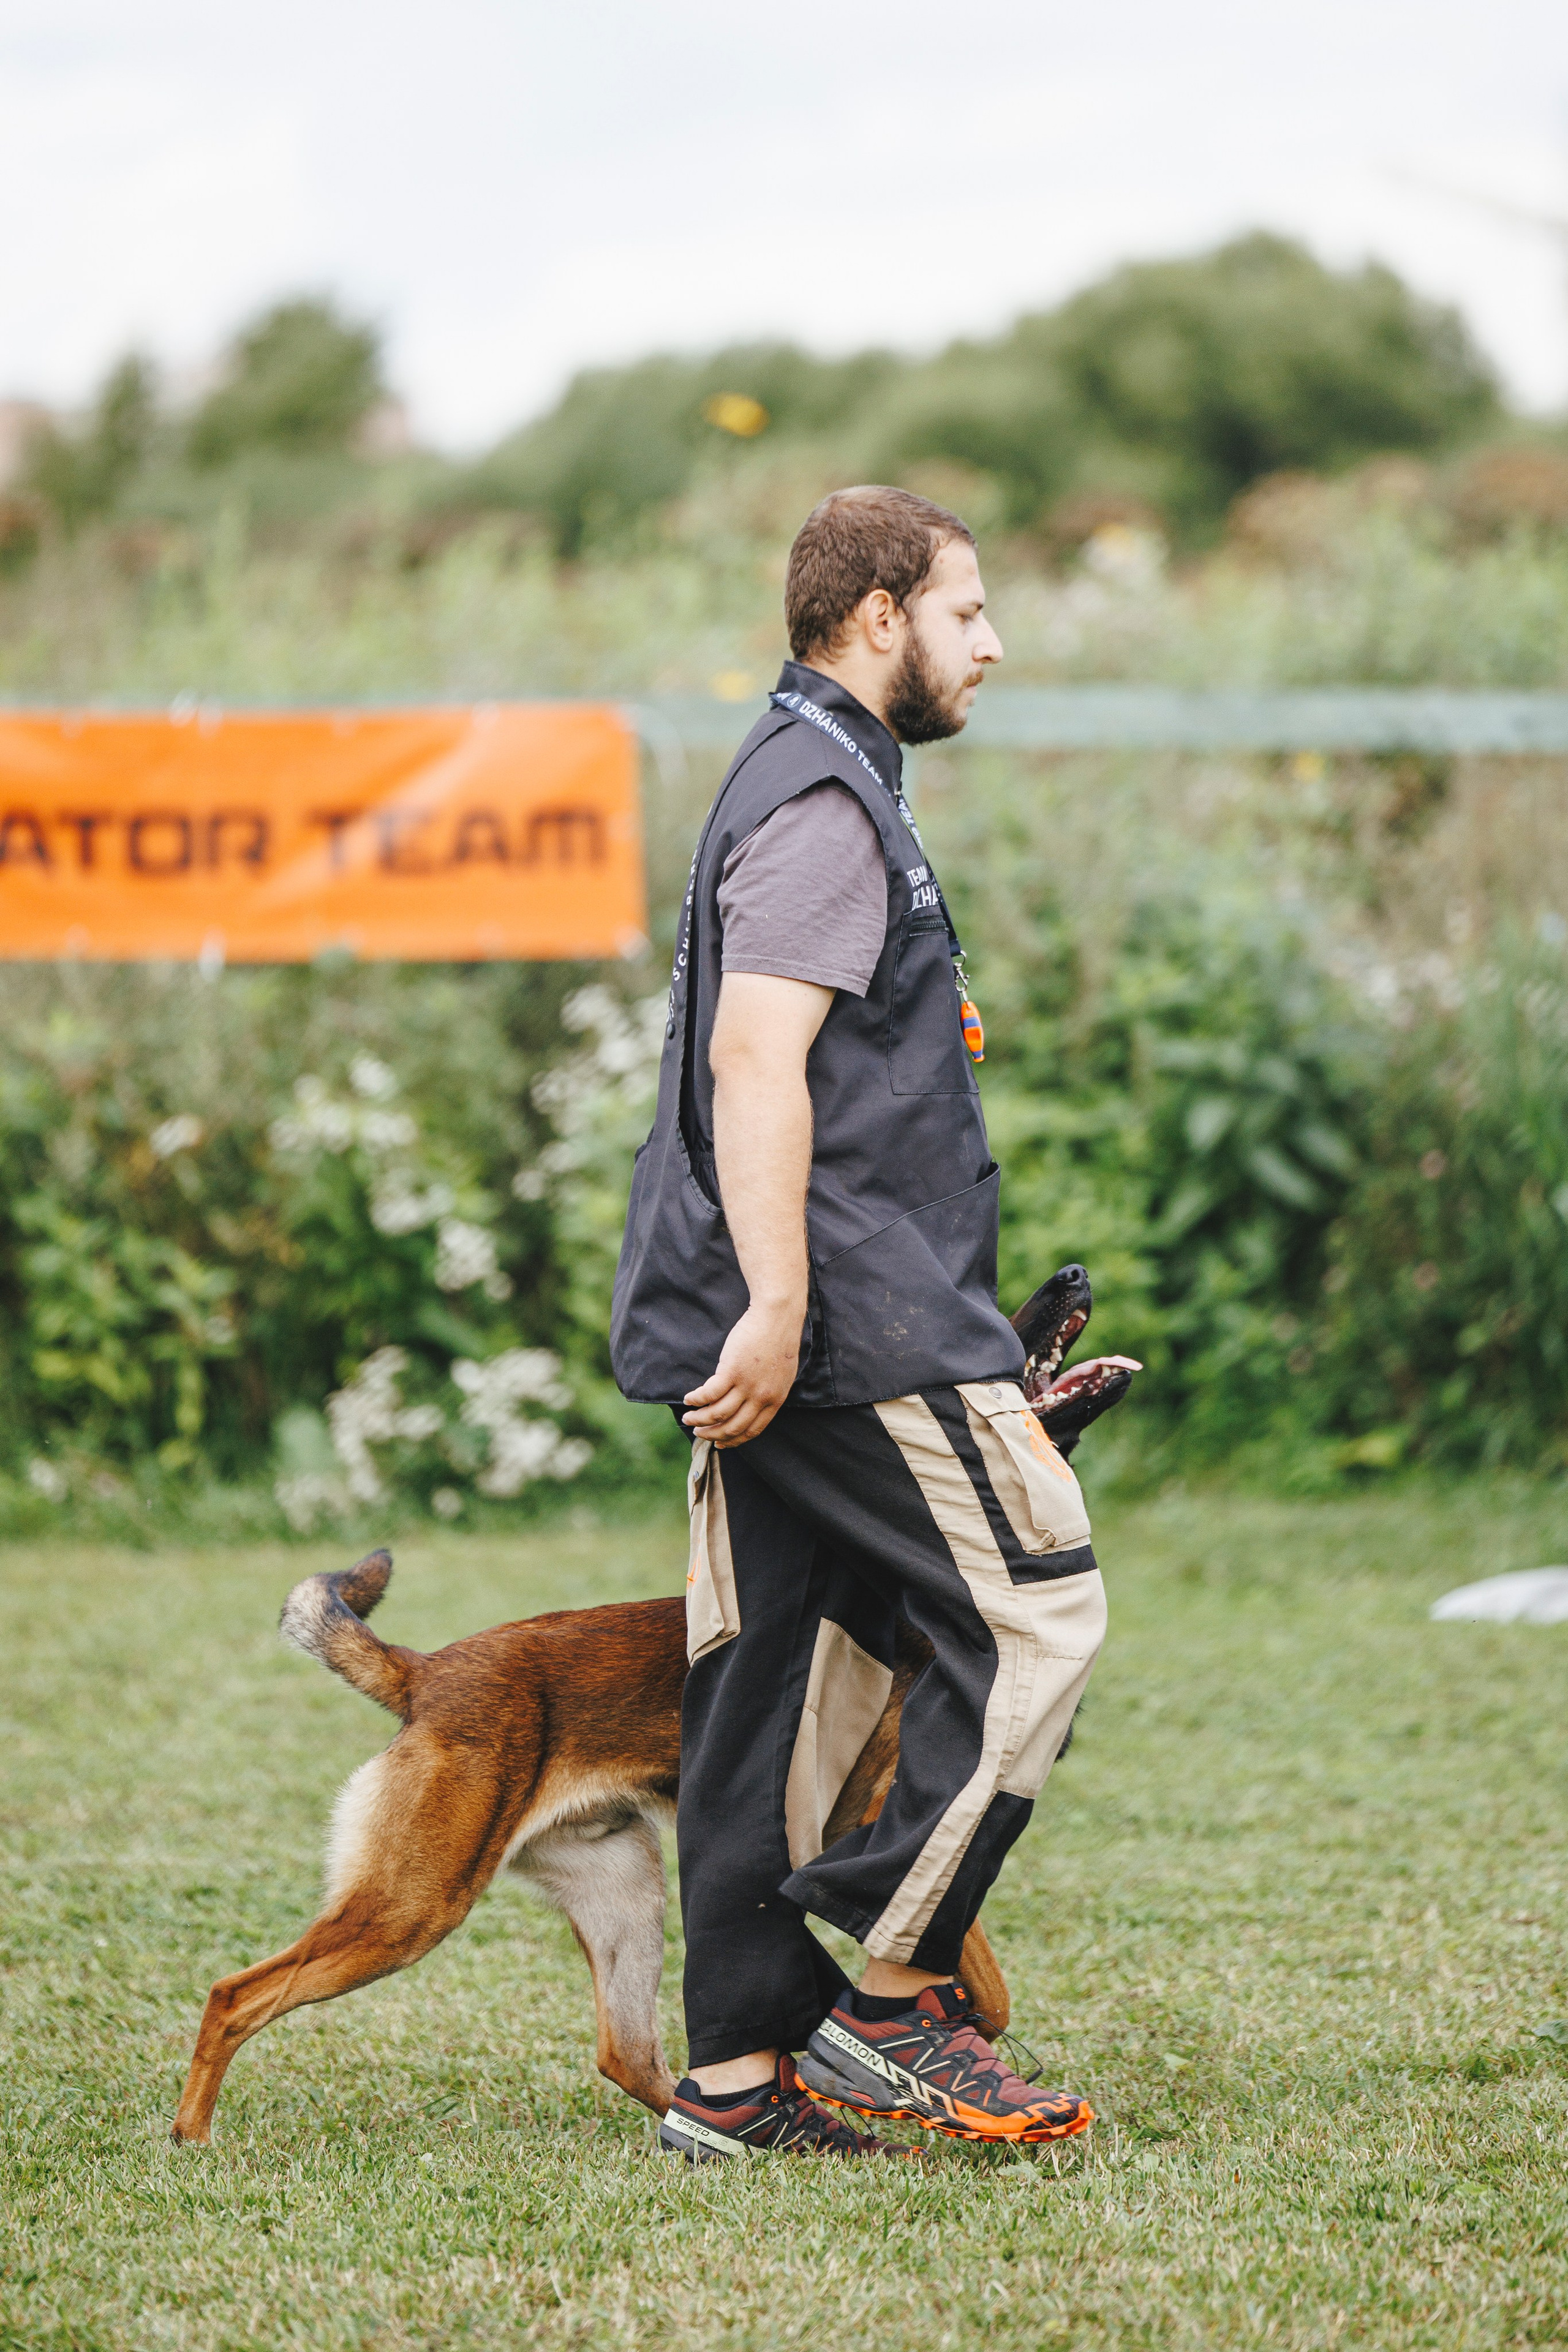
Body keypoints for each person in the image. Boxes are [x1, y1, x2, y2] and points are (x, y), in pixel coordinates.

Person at [611, 486, 1108, 2160]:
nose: (992, 643)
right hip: (849, 1326)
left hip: (790, 1326)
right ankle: (890, 2004)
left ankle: (735, 2082)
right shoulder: (826, 797)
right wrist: (779, 1301)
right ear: (878, 616)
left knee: (777, 1678)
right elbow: (759, 1059)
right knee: (1043, 1614)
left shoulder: (790, 769)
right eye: (968, 612)